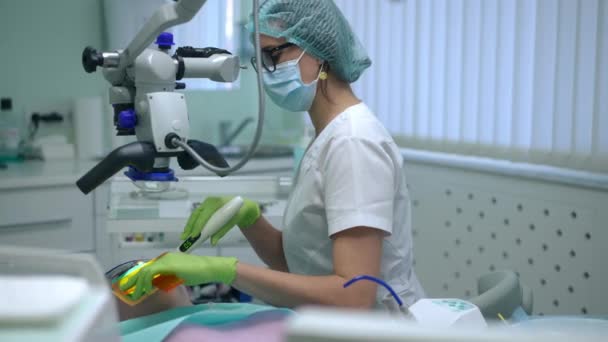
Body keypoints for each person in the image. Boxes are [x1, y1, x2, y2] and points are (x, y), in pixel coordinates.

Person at [121, 0, 425, 309]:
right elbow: (299, 264)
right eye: (260, 59)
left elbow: (354, 295)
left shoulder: (354, 143)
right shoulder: (329, 137)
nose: (266, 71)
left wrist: (226, 271)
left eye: (273, 54)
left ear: (319, 51)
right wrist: (249, 218)